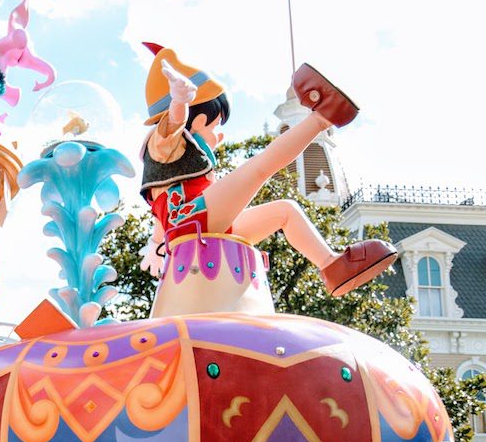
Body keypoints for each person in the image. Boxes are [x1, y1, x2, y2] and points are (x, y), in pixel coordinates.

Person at [137, 45, 396, 296]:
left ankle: (332, 266)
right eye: (215, 126)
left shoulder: (177, 165)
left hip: (196, 226)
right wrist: (179, 102)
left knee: (286, 211)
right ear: (200, 120)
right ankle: (324, 116)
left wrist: (155, 244)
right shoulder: (163, 144)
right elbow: (172, 125)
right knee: (260, 167)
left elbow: (161, 215)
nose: (219, 135)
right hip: (192, 219)